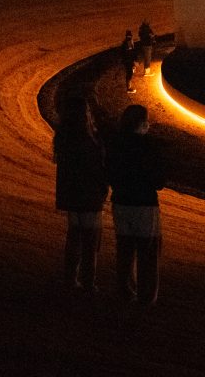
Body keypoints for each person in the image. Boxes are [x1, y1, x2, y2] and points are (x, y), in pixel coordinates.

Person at [106, 104, 167, 306]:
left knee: (125, 250)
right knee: (148, 253)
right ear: (142, 123)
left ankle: (126, 291)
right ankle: (146, 296)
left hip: (122, 203)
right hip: (145, 205)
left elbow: (110, 173)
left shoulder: (115, 144)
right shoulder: (150, 146)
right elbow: (159, 181)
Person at [54, 96, 109, 292]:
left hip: (72, 195)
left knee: (74, 238)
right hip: (89, 195)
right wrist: (103, 189)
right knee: (91, 241)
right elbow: (97, 169)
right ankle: (88, 281)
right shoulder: (90, 141)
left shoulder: (64, 138)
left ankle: (70, 278)